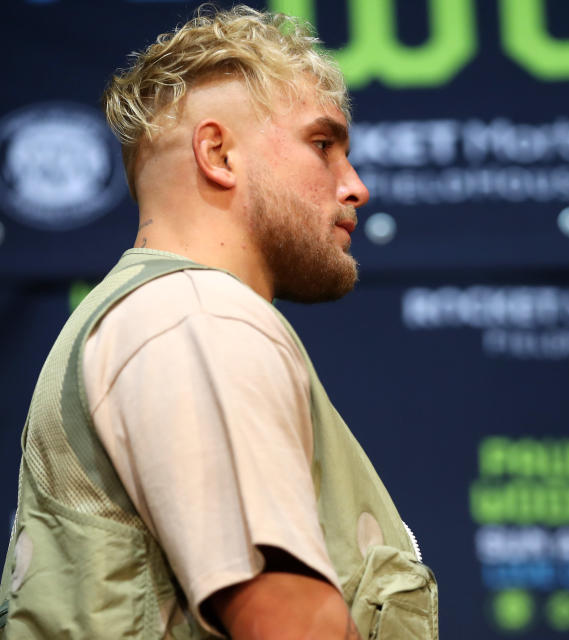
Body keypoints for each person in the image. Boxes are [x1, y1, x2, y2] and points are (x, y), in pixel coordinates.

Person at [0, 6, 437, 639]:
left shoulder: (160, 316)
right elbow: (290, 625)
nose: (356, 186)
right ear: (218, 152)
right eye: (323, 145)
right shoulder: (197, 318)